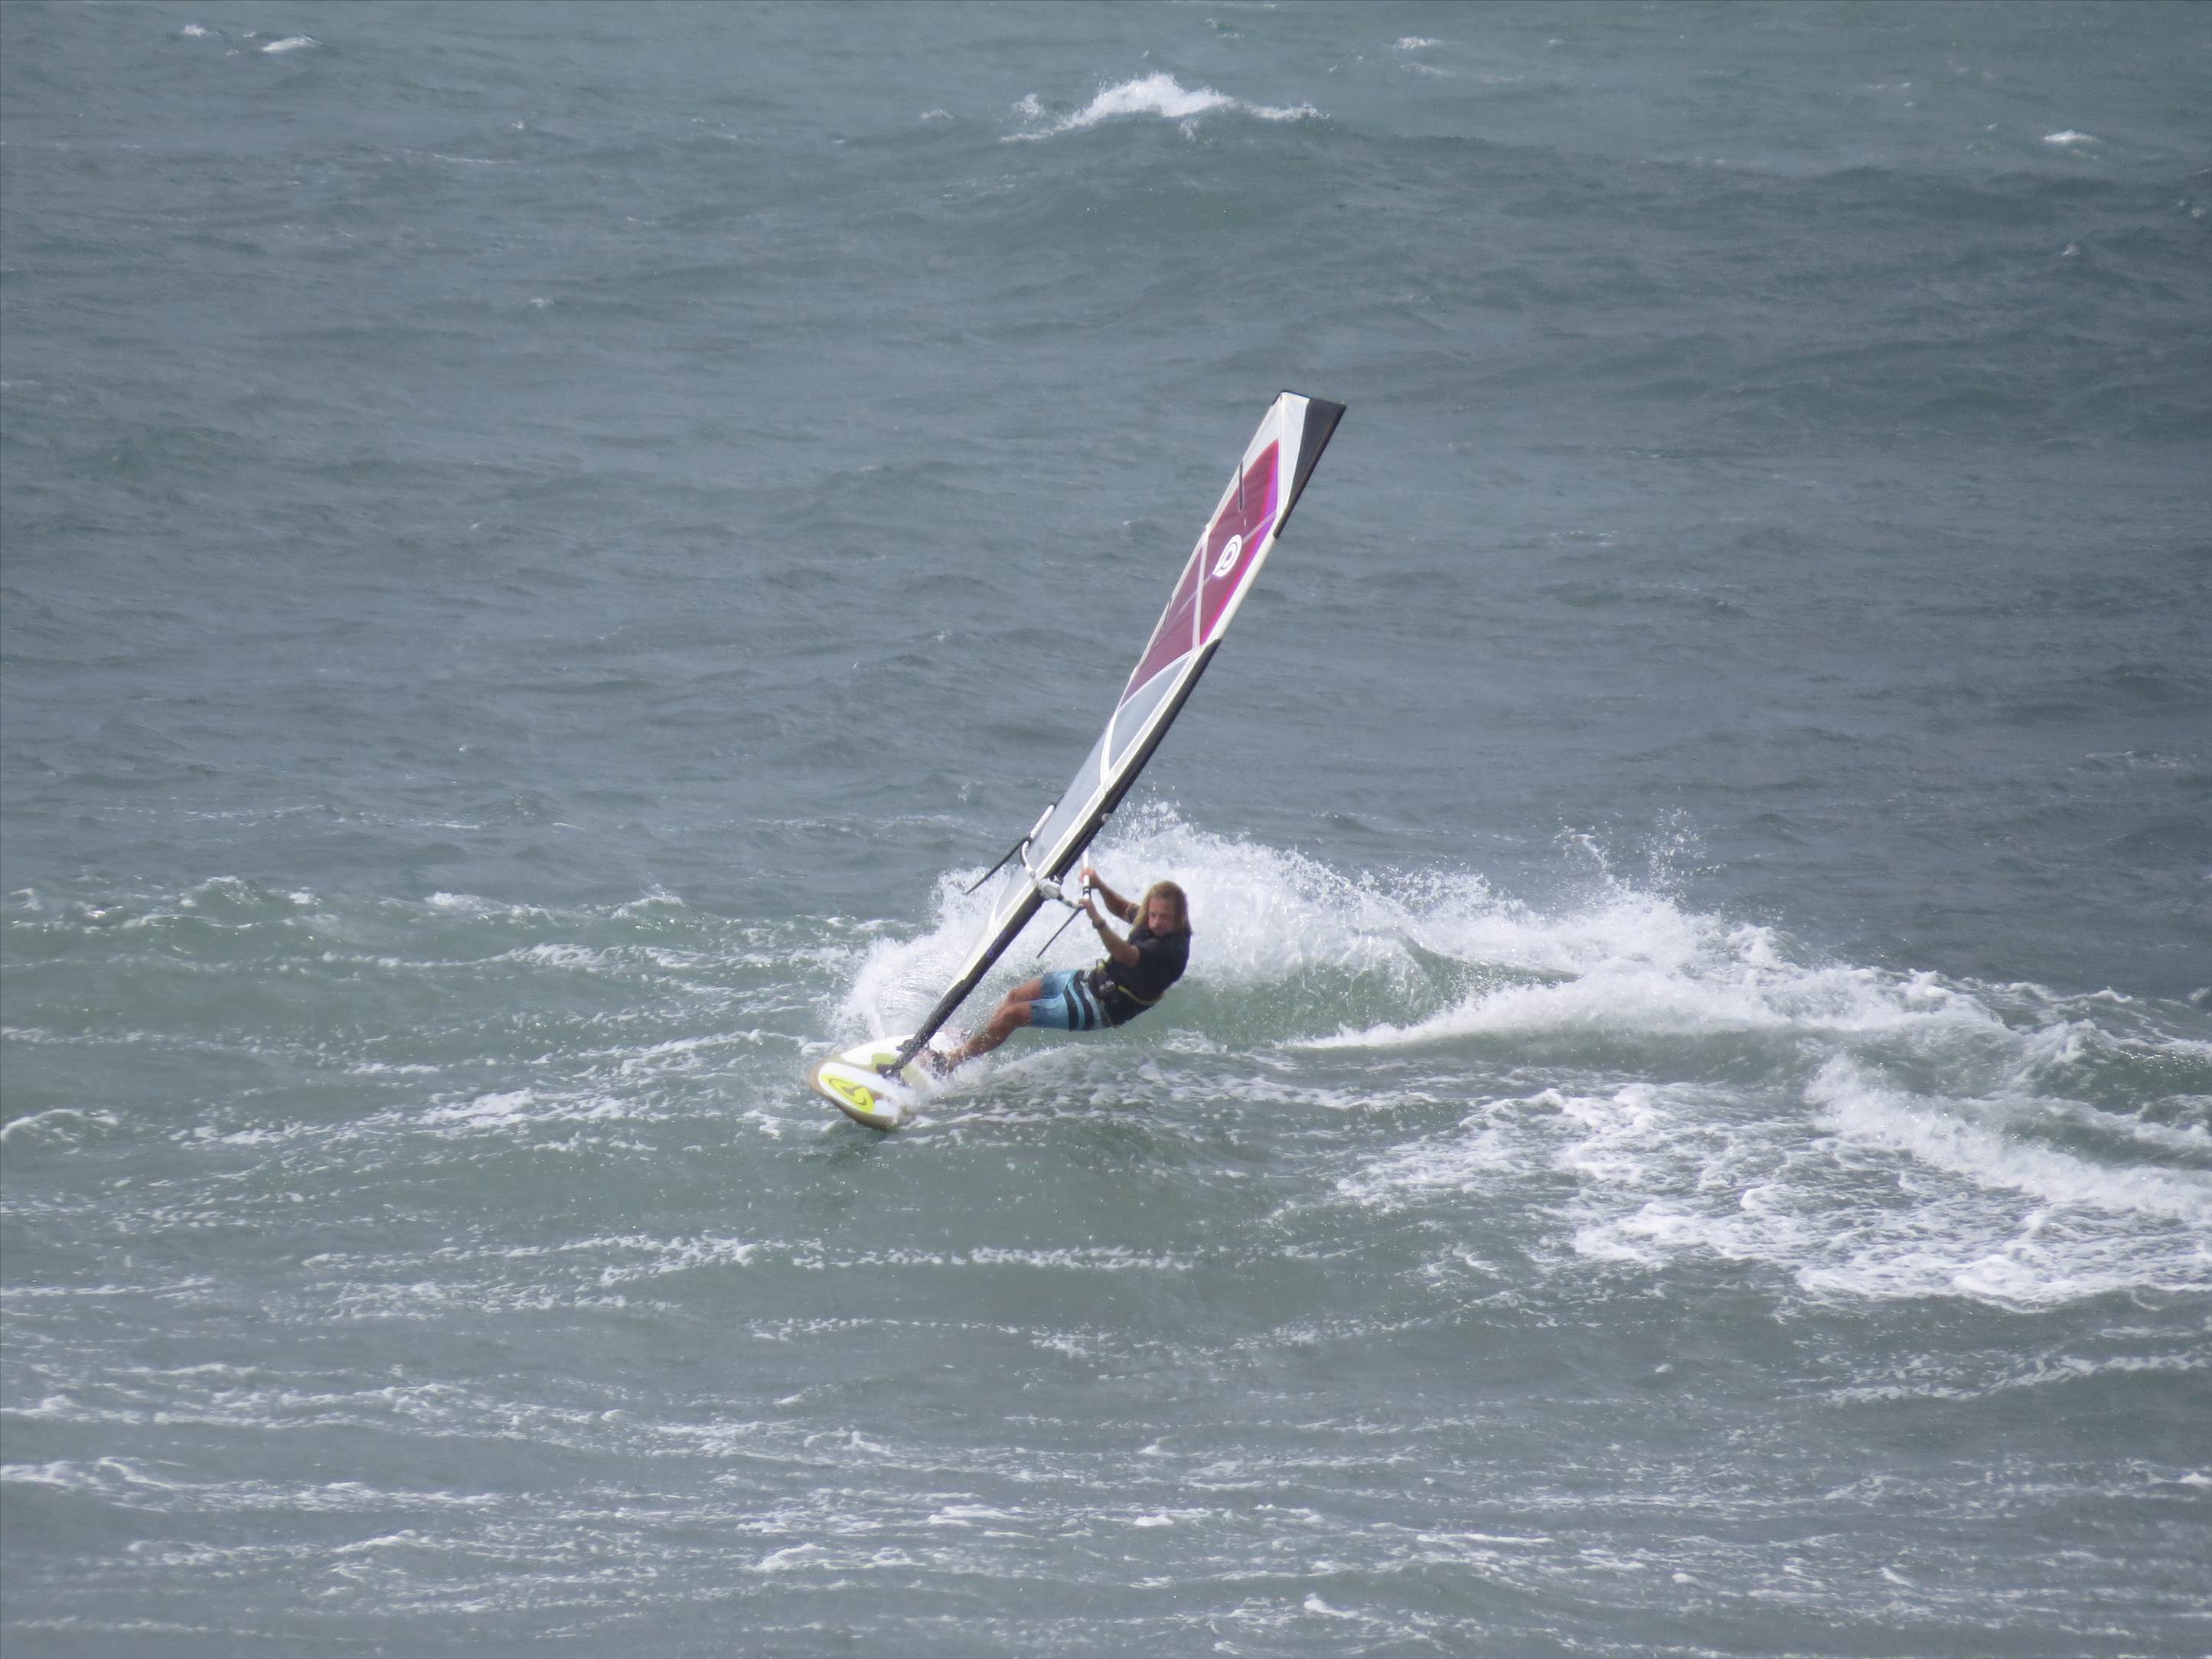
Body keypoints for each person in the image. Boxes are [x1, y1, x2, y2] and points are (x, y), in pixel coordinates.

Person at [931, 865, 1191, 1073]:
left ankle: (955, 1060)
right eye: (1153, 914)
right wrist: (1099, 885)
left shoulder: (1170, 949)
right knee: (1015, 996)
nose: (1156, 922)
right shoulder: (1152, 919)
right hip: (1090, 981)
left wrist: (1097, 921)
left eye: (1164, 917)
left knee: (1013, 1014)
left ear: (1178, 917)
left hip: (1101, 1007)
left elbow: (1125, 954)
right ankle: (975, 1042)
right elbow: (1123, 908)